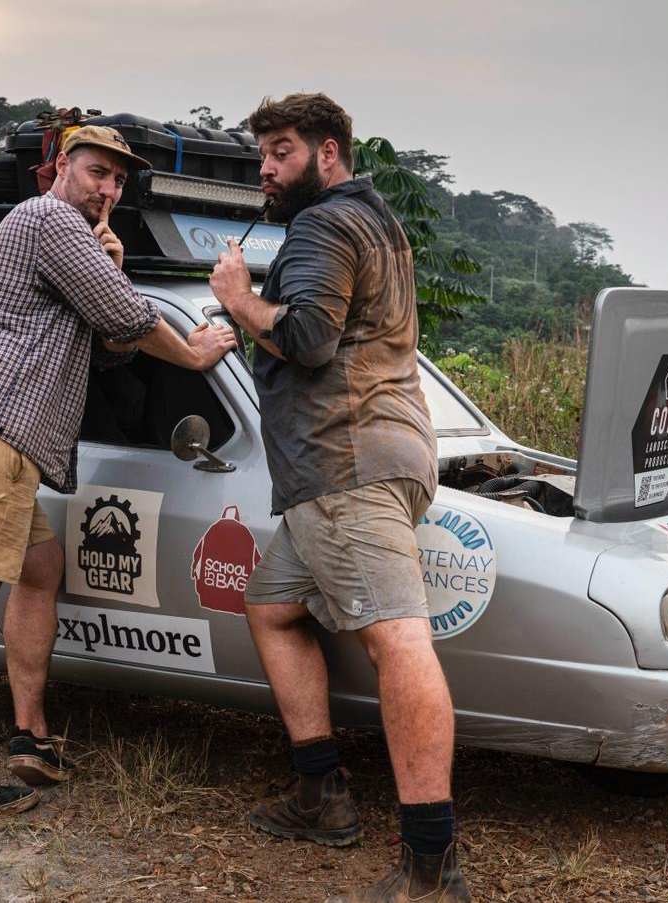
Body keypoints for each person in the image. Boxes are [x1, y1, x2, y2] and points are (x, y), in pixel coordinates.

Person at [0, 125, 237, 821]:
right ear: (59, 169)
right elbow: (131, 319)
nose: (107, 189)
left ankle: (30, 733)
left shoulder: (69, 244)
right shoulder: (46, 217)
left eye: (118, 180)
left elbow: (111, 352)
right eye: (96, 172)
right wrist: (198, 353)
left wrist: (110, 269)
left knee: (40, 567)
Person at [209, 94, 470, 902]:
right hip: (385, 451)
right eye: (263, 153)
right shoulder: (379, 221)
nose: (265, 167)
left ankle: (431, 866)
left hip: (344, 462)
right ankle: (321, 795)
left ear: (328, 153)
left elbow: (311, 338)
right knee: (272, 603)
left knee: (398, 644)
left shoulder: (321, 226)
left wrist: (237, 298)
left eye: (281, 151)